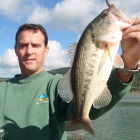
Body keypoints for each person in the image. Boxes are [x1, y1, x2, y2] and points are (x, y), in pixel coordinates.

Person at [0, 17, 140, 140]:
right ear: (15, 50)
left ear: (46, 51)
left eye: (36, 45)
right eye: (23, 45)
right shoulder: (2, 90)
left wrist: (128, 66)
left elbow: (91, 109)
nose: (29, 51)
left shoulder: (56, 85)